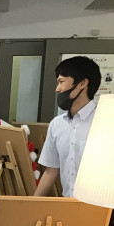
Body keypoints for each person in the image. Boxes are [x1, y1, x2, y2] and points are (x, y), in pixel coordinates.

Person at [34, 56, 101, 198]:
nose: (57, 89)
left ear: (82, 83)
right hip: (68, 205)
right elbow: (50, 172)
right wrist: (32, 205)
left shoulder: (105, 122)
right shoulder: (57, 124)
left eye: (61, 82)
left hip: (100, 206)